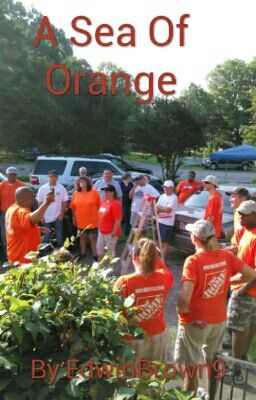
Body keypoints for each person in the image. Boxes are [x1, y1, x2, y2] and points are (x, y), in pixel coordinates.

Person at [174, 219, 256, 398]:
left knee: (191, 367)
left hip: (196, 323)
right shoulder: (225, 256)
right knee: (213, 363)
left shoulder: (193, 261)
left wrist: (184, 312)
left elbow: (184, 297)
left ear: (195, 238)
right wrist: (228, 280)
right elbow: (252, 274)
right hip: (218, 320)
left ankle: (191, 396)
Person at [113, 238, 174, 363]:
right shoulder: (165, 277)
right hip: (157, 336)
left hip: (133, 339)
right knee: (153, 377)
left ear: (134, 255)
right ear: (156, 258)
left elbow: (116, 314)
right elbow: (162, 267)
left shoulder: (124, 281)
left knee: (130, 379)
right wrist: (153, 253)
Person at [227, 200, 256, 383]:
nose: (240, 216)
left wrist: (244, 289)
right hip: (247, 290)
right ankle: (242, 359)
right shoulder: (244, 231)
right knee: (247, 327)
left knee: (239, 329)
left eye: (245, 214)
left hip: (246, 291)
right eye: (239, 213)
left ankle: (235, 370)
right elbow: (236, 248)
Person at [5, 187, 54, 264]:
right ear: (25, 199)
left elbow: (17, 227)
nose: (33, 201)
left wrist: (36, 228)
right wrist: (47, 203)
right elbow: (32, 219)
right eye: (32, 198)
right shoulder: (21, 211)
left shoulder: (11, 209)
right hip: (23, 258)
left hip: (15, 255)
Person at [36, 170, 68, 250]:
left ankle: (60, 254)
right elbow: (39, 202)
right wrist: (41, 215)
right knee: (46, 237)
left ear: (57, 178)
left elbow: (64, 202)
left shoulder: (61, 188)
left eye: (54, 177)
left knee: (59, 236)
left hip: (58, 216)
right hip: (46, 216)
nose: (53, 178)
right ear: (48, 177)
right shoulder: (42, 188)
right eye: (51, 177)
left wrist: (62, 214)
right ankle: (44, 253)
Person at [70, 176, 100, 261]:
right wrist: (73, 218)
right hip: (80, 221)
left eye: (84, 181)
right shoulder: (76, 193)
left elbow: (99, 206)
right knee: (82, 238)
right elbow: (72, 207)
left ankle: (95, 255)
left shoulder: (94, 192)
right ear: (78, 184)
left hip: (92, 221)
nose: (82, 183)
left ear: (88, 183)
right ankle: (83, 254)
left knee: (93, 239)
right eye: (80, 181)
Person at [0, 167, 25, 251]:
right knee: (5, 233)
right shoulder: (1, 185)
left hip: (17, 214)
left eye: (14, 174)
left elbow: (26, 201)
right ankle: (7, 251)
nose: (12, 176)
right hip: (4, 213)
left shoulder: (22, 186)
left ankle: (18, 250)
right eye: (10, 174)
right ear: (7, 174)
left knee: (18, 232)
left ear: (16, 175)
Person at [97, 184, 122, 259]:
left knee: (110, 253)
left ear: (113, 193)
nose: (105, 193)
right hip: (101, 231)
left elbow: (118, 220)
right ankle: (100, 268)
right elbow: (100, 215)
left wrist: (114, 232)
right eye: (105, 192)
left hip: (110, 233)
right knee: (99, 251)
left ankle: (110, 270)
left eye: (107, 192)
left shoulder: (115, 204)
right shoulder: (104, 202)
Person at [156, 180, 177, 257]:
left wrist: (160, 209)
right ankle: (156, 257)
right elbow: (156, 207)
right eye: (164, 187)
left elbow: (168, 210)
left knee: (165, 242)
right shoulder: (162, 196)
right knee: (157, 240)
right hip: (159, 220)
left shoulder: (174, 198)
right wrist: (161, 209)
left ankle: (162, 259)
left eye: (167, 188)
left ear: (172, 188)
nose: (165, 189)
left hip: (167, 223)